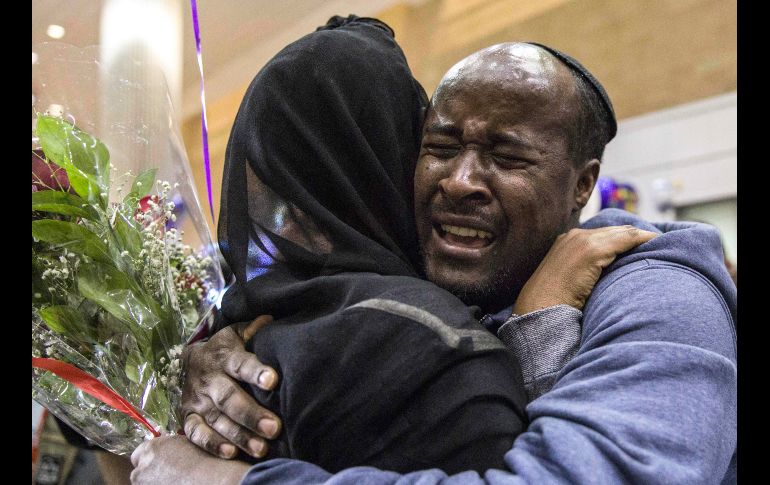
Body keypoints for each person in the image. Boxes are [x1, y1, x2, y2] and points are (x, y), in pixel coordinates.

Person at [133, 19, 737, 485]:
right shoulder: (412, 275)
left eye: (507, 157)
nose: (460, 181)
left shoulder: (658, 288)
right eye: (440, 146)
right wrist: (202, 358)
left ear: (583, 184)